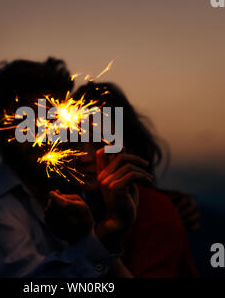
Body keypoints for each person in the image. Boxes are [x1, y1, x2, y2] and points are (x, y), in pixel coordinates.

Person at [0, 58, 146, 277]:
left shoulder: (74, 191)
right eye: (27, 119)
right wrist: (105, 235)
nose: (45, 132)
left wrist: (161, 200)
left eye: (52, 117)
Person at [68, 82, 198, 277]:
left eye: (99, 143)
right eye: (75, 142)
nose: (83, 157)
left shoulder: (156, 217)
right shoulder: (75, 204)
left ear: (130, 149)